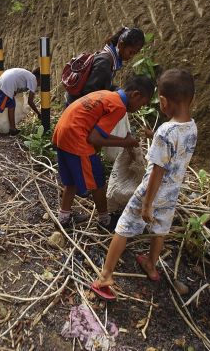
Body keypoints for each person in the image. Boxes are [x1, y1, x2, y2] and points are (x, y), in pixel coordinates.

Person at [91, 69, 197, 300]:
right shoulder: (191, 127)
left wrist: (147, 204)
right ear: (192, 99)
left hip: (150, 191)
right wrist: (153, 134)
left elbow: (157, 170)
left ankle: (106, 275)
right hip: (171, 193)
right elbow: (174, 151)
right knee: (160, 229)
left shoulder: (165, 131)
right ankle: (151, 263)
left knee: (124, 227)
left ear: (163, 101)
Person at [53, 75, 155, 229]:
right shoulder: (119, 107)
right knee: (97, 182)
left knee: (71, 181)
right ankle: (104, 220)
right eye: (142, 104)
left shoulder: (108, 95)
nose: (140, 108)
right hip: (77, 139)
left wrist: (124, 141)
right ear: (135, 95)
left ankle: (63, 218)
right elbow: (94, 138)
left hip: (63, 133)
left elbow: (97, 133)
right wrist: (124, 142)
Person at [65, 27, 145, 106]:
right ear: (121, 44)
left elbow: (102, 84)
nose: (131, 56)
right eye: (130, 52)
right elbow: (89, 94)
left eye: (134, 54)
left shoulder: (109, 58)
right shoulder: (105, 62)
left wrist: (118, 92)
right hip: (75, 107)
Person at [0, 67, 42, 139]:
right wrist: (38, 113)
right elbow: (30, 101)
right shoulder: (34, 80)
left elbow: (18, 82)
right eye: (42, 82)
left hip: (6, 78)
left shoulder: (30, 76)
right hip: (8, 83)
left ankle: (12, 129)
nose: (40, 84)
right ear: (39, 78)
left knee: (11, 105)